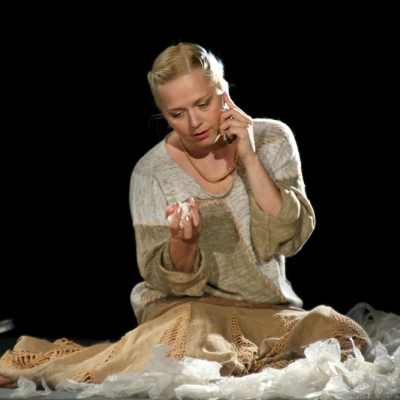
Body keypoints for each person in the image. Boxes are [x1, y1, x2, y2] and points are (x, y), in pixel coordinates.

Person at [0, 42, 371, 390]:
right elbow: (163, 280)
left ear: (224, 91)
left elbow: (286, 239)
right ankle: (56, 364)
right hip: (187, 312)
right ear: (163, 113)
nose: (194, 122)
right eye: (177, 114)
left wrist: (250, 157)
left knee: (341, 335)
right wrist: (185, 243)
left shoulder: (272, 139)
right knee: (194, 345)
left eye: (203, 103)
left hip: (265, 311)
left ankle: (238, 362)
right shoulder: (150, 172)